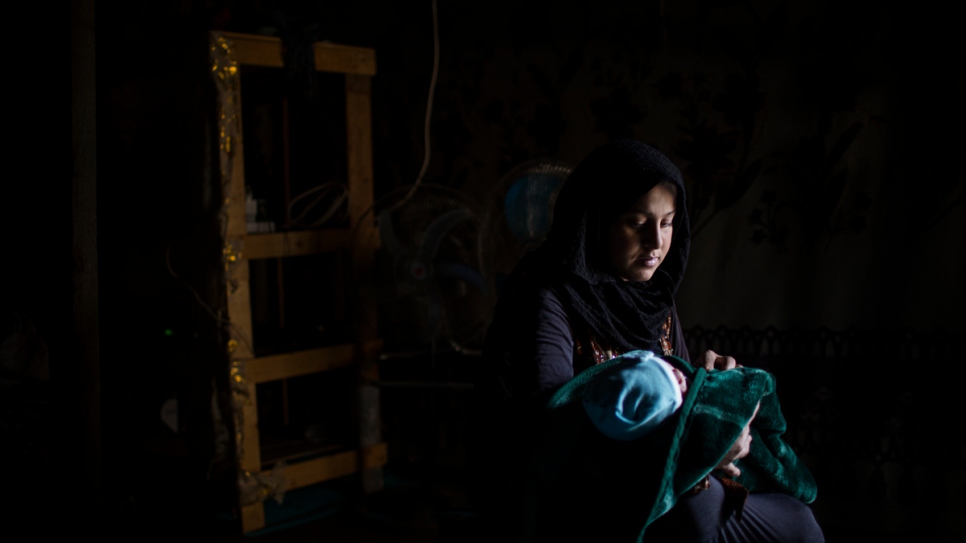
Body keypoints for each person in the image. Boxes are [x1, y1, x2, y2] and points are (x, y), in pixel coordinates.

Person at [468, 139, 824, 542]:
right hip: (588, 487)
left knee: (799, 521)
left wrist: (716, 405)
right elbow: (554, 423)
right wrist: (692, 445)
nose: (656, 243)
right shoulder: (548, 294)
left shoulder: (652, 299)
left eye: (668, 222)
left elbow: (682, 393)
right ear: (595, 220)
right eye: (637, 223)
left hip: (667, 473)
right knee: (698, 517)